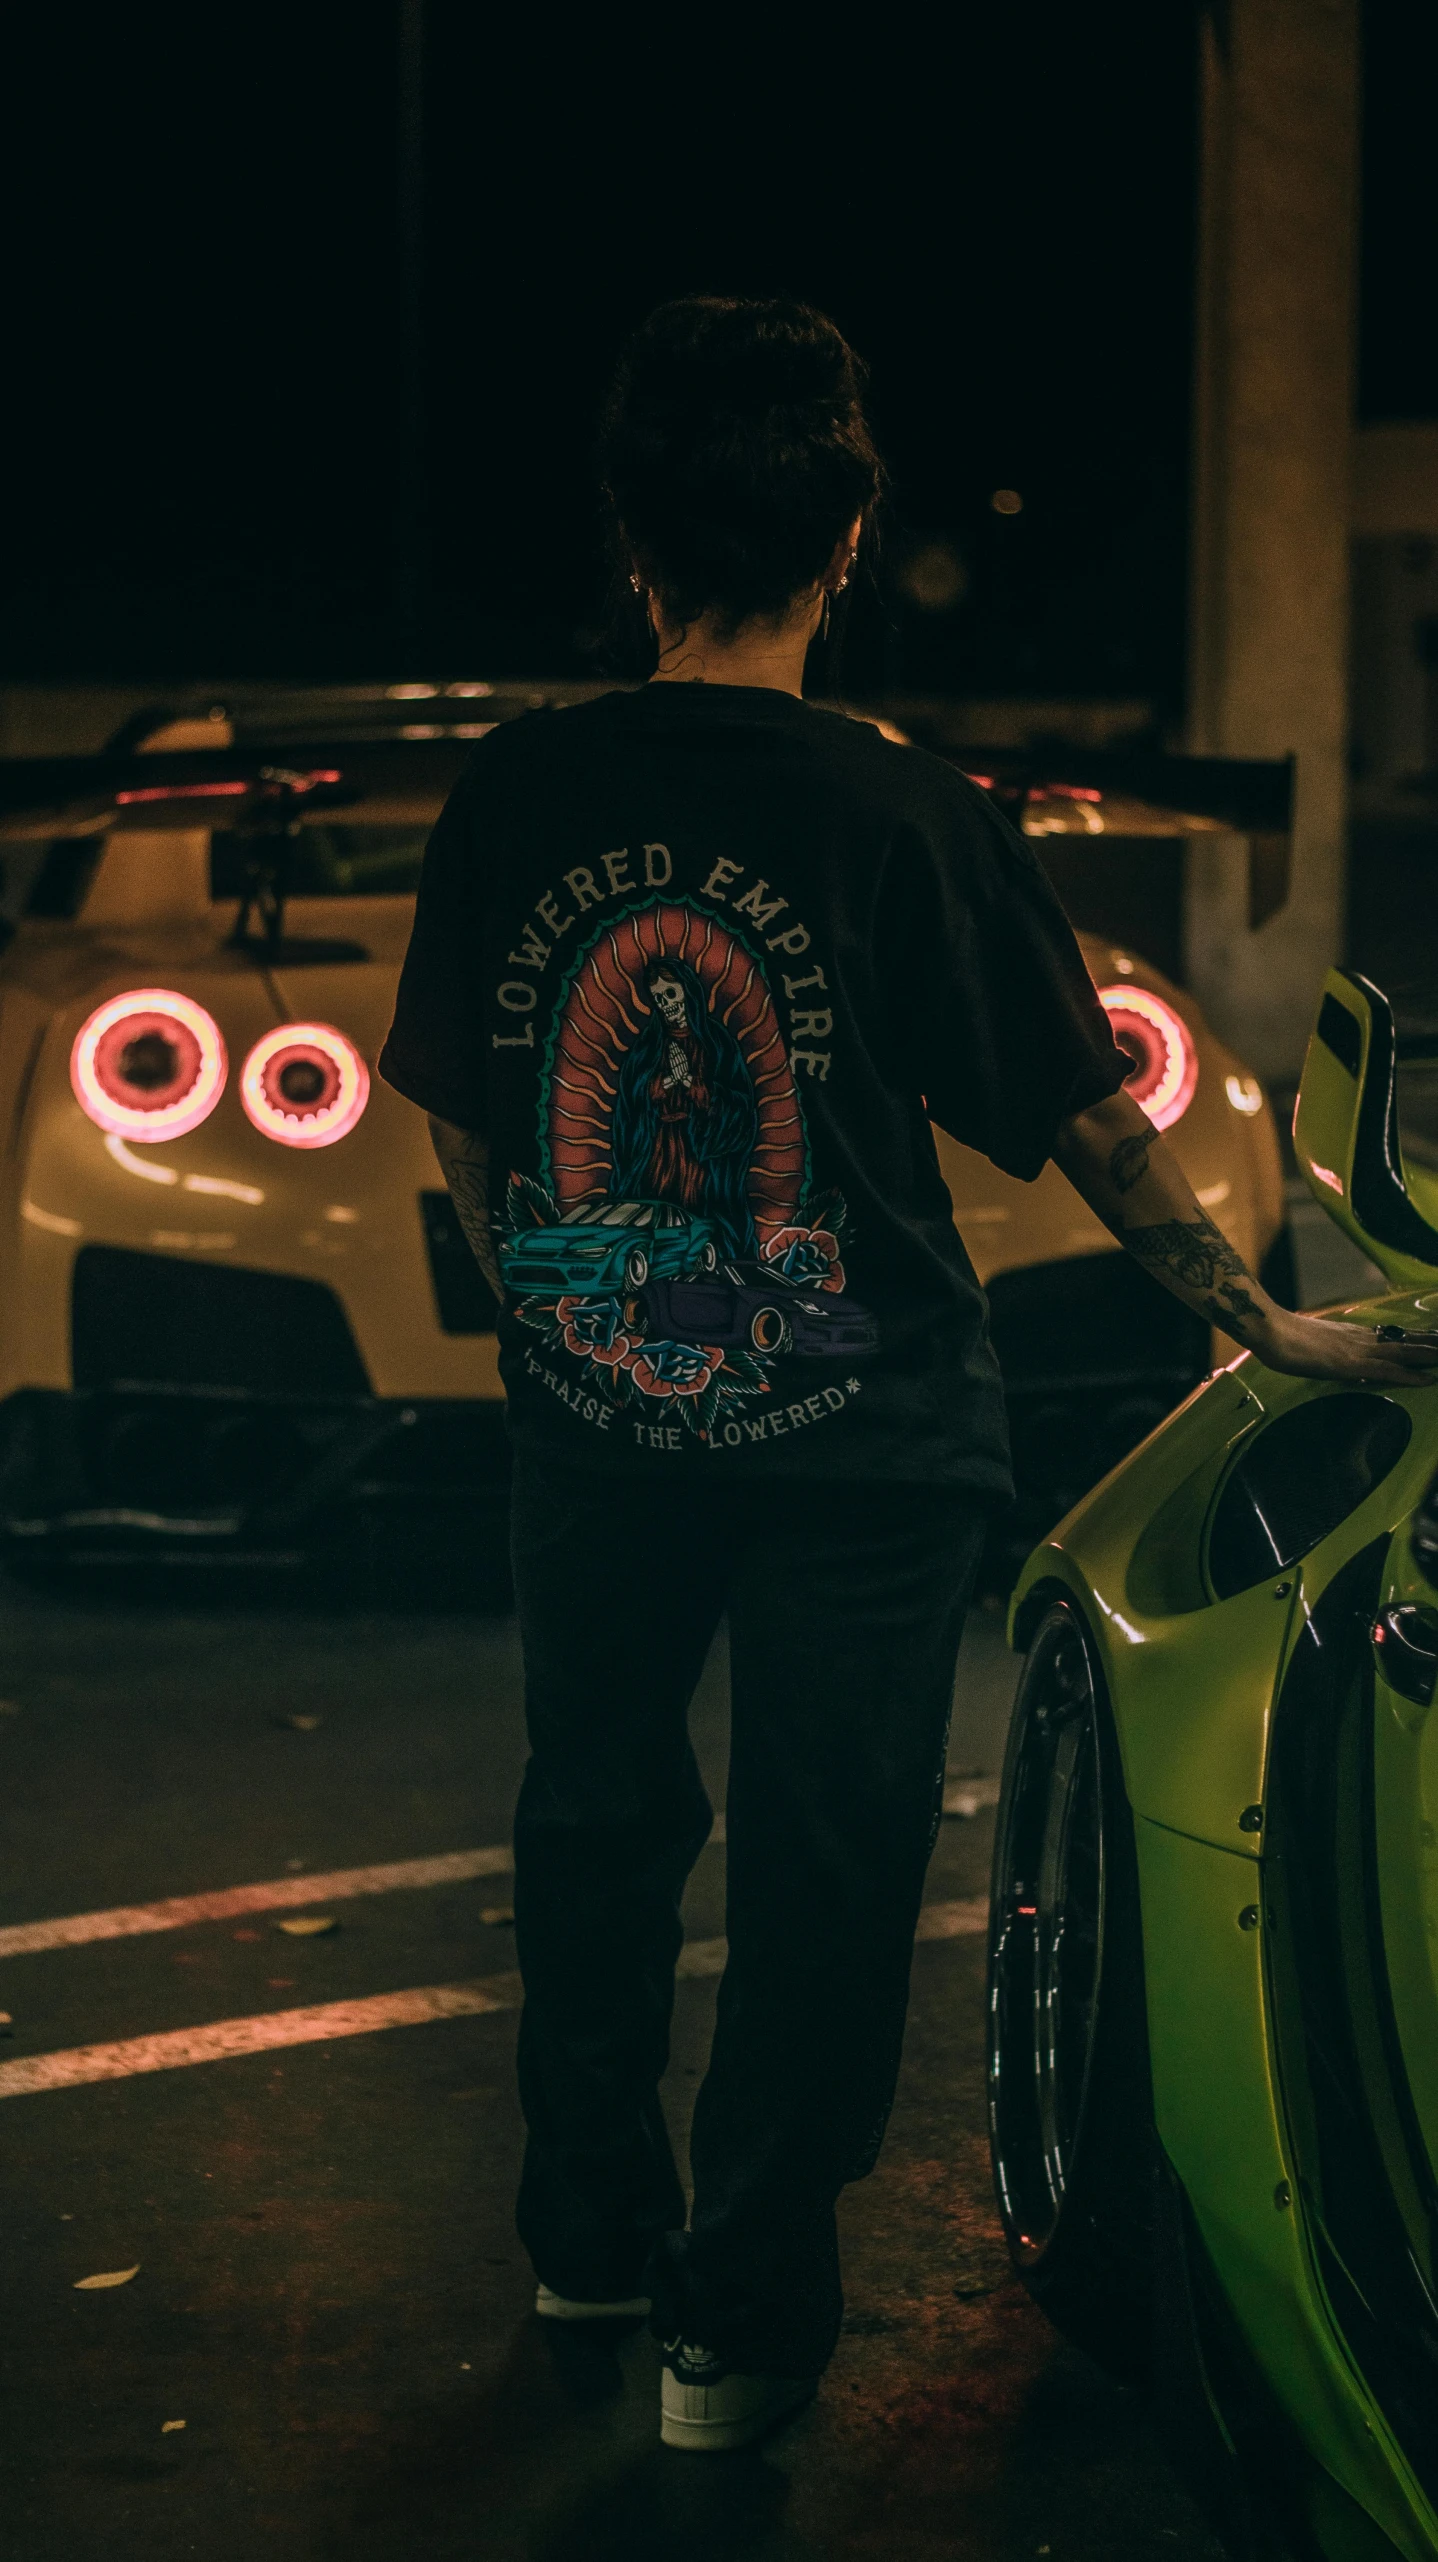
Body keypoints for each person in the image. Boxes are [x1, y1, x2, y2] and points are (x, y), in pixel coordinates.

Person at [379, 295, 1438, 2454]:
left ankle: (585, 2230)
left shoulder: (517, 791)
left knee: (591, 1821)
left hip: (598, 1428)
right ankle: (733, 2333)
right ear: (845, 541)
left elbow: (468, 1124)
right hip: (864, 1445)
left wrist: (556, 1318)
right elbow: (1084, 1121)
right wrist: (1263, 1317)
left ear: (628, 538)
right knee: (826, 1866)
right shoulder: (903, 815)